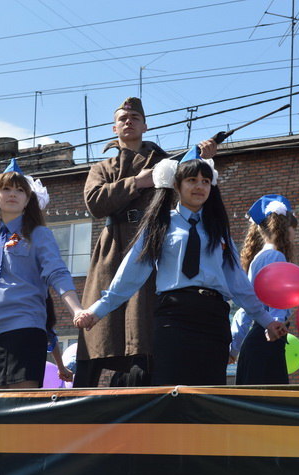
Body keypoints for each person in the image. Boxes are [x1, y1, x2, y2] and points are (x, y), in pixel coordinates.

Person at [74, 153, 287, 386]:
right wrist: (97, 311)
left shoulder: (218, 228)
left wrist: (267, 321)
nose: (199, 186)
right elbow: (131, 273)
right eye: (192, 180)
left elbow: (238, 282)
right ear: (177, 185)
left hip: (213, 317)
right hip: (173, 316)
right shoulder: (160, 223)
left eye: (206, 181)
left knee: (208, 390)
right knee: (171, 387)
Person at [75, 96, 216, 387]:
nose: (128, 122)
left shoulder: (168, 162)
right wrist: (138, 182)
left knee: (145, 325)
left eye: (135, 118)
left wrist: (203, 158)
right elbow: (95, 203)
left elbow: (192, 186)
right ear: (114, 128)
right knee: (99, 328)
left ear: (145, 126)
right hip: (113, 248)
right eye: (122, 119)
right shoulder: (102, 167)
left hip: (152, 242)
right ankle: (83, 395)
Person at [0, 160, 83, 390]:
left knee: (21, 403)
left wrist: (77, 310)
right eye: (6, 189)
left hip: (24, 327)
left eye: (20, 190)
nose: (13, 194)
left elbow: (57, 272)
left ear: (28, 200)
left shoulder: (39, 234)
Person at [232, 194, 298, 385]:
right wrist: (277, 322)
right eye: (294, 229)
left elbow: (247, 308)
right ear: (285, 228)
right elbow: (277, 301)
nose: (295, 235)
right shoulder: (276, 257)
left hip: (258, 342)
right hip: (268, 341)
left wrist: (234, 348)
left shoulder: (260, 257)